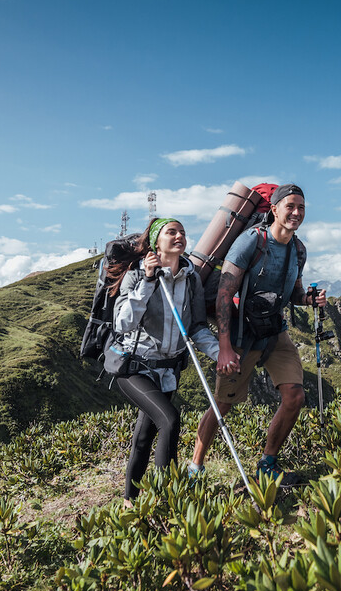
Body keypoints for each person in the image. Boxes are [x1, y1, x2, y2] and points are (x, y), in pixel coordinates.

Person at [189, 183, 327, 483]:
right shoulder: (250, 242)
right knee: (222, 403)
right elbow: (225, 295)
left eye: (301, 207)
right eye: (290, 206)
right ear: (274, 209)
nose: (296, 212)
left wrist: (308, 300)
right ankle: (196, 466)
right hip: (242, 333)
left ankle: (267, 463)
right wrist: (224, 348)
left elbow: (294, 293)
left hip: (275, 330)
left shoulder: (298, 249)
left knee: (295, 396)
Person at [108, 217, 218, 502]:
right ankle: (168, 499)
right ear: (157, 242)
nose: (179, 235)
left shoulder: (190, 278)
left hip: (168, 370)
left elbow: (196, 328)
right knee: (169, 420)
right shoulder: (136, 275)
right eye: (172, 232)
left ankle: (129, 501)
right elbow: (122, 323)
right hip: (134, 366)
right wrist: (146, 281)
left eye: (182, 231)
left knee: (144, 437)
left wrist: (220, 353)